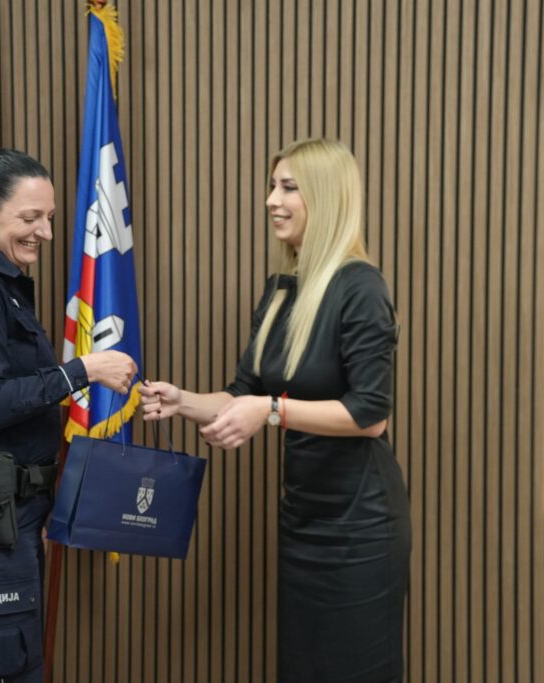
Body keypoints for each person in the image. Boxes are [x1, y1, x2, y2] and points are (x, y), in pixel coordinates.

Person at [140, 138, 411, 682]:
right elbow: (243, 392)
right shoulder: (282, 290)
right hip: (302, 520)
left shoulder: (361, 287)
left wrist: (271, 411)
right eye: (272, 186)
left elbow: (370, 414)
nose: (271, 200)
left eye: (288, 187)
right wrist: (183, 401)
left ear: (325, 197)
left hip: (360, 528)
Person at [0, 147, 136, 682]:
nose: (46, 232)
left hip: (7, 517)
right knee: (6, 670)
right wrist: (82, 369)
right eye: (31, 218)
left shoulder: (0, 283)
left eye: (50, 218)